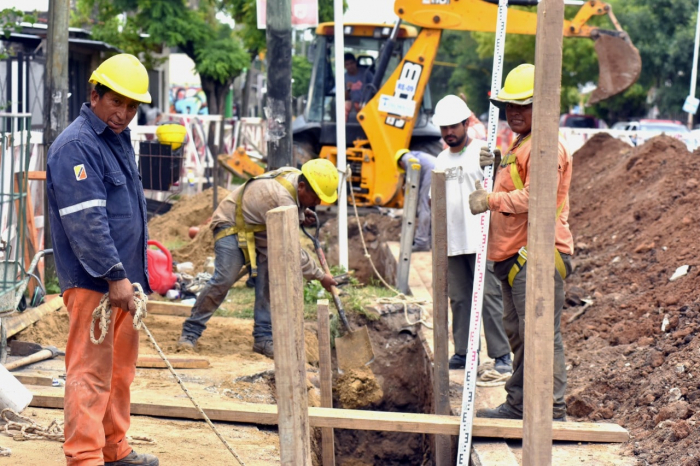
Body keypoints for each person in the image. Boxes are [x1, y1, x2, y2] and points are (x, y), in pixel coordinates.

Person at [46, 54, 158, 466]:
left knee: (119, 374)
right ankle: (85, 456)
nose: (123, 113)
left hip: (123, 282)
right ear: (94, 95)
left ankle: (114, 448)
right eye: (116, 102)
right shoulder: (77, 146)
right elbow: (86, 222)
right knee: (90, 374)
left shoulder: (115, 140)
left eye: (131, 107)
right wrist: (114, 276)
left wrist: (129, 279)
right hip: (97, 282)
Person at [469, 64, 573, 421]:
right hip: (515, 257)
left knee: (541, 336)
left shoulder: (546, 147)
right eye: (509, 106)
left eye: (522, 105)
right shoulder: (523, 144)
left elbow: (538, 197)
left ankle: (551, 410)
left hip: (537, 256)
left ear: (542, 106)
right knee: (521, 337)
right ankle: (520, 405)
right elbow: (520, 183)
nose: (513, 113)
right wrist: (498, 164)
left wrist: (490, 200)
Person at [178, 159, 339, 358]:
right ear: (302, 186)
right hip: (232, 224)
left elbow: (280, 206)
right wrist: (320, 275)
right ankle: (190, 332)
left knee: (271, 272)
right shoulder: (283, 199)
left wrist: (301, 211)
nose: (318, 203)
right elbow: (292, 251)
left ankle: (263, 339)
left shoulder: (294, 178)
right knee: (224, 279)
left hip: (259, 226)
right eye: (316, 197)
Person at [431, 95, 512, 372]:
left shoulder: (482, 152)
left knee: (490, 296)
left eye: (453, 126)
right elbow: (435, 201)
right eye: (444, 128)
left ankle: (501, 355)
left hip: (481, 239)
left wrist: (497, 166)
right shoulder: (440, 159)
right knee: (461, 299)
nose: (449, 133)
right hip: (453, 242)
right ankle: (464, 352)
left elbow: (501, 185)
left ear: (466, 123)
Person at [394, 149, 436, 252]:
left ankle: (421, 242)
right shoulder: (419, 155)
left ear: (400, 163)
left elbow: (413, 163)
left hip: (432, 172)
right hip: (438, 171)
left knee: (424, 208)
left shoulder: (406, 157)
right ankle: (429, 241)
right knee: (432, 209)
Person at [344, 53, 374, 120]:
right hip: (353, 104)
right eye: (347, 64)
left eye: (351, 63)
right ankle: (343, 128)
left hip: (367, 103)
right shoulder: (344, 77)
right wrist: (348, 89)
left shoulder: (366, 73)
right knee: (344, 106)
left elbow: (376, 86)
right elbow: (344, 98)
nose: (350, 66)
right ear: (344, 66)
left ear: (355, 63)